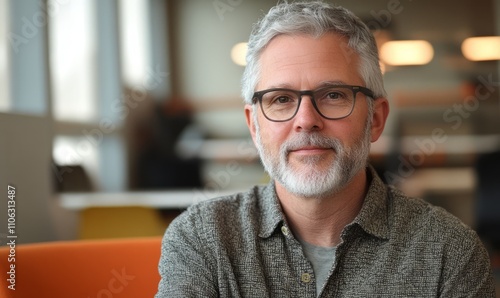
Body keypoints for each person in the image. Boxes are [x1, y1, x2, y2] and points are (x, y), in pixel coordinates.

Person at [156, 2, 496, 297]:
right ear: (254, 126)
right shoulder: (202, 239)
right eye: (281, 99)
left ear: (376, 119)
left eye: (333, 95)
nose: (306, 120)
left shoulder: (449, 253)